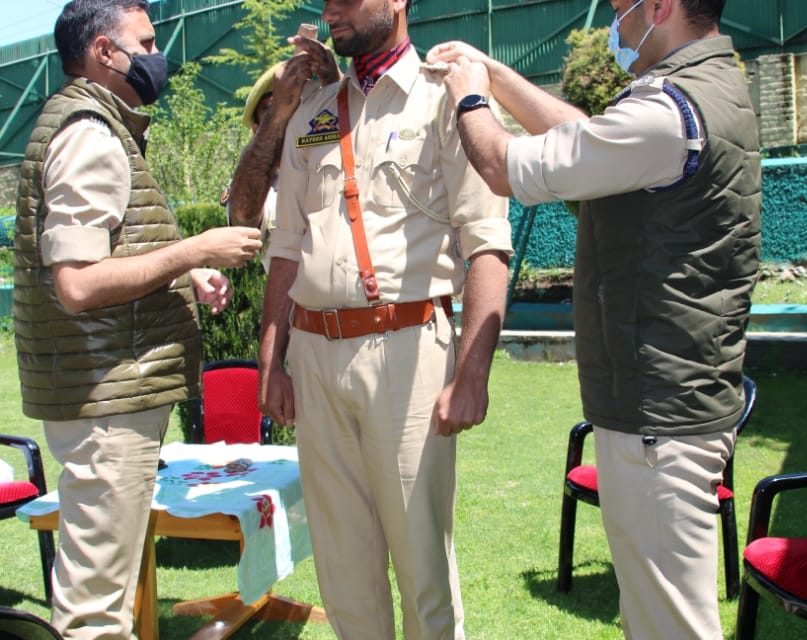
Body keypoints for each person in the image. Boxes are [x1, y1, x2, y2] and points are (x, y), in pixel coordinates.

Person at [428, 0, 761, 638]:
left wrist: (471, 98)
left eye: (620, 8)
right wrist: (494, 73)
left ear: (660, 8)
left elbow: (502, 165)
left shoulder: (670, 112)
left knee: (671, 626)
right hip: (670, 407)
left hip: (659, 419)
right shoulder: (702, 92)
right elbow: (583, 132)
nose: (616, 23)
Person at [257, 0, 513, 637]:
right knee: (344, 575)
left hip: (407, 350)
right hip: (314, 359)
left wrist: (472, 374)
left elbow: (486, 241)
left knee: (423, 568)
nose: (330, 10)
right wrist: (272, 363)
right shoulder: (314, 114)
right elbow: (286, 249)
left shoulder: (446, 97)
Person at [13, 1, 262, 637]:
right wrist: (196, 249)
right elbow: (77, 283)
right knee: (97, 609)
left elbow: (106, 250)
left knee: (111, 588)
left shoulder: (98, 123)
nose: (158, 56)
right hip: (106, 404)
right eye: (145, 42)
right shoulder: (90, 132)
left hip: (105, 395)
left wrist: (182, 274)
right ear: (104, 53)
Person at [225, 33, 340, 272]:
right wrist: (278, 113)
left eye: (300, 106)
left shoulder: (339, 160)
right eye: (272, 108)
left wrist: (334, 88)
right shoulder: (257, 183)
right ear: (258, 127)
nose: (293, 117)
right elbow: (243, 218)